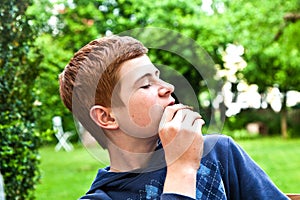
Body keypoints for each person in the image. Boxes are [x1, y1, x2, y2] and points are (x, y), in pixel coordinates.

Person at [59, 35, 289, 199]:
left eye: (159, 77)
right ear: (107, 117)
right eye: (146, 84)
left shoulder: (218, 153)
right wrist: (182, 170)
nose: (168, 87)